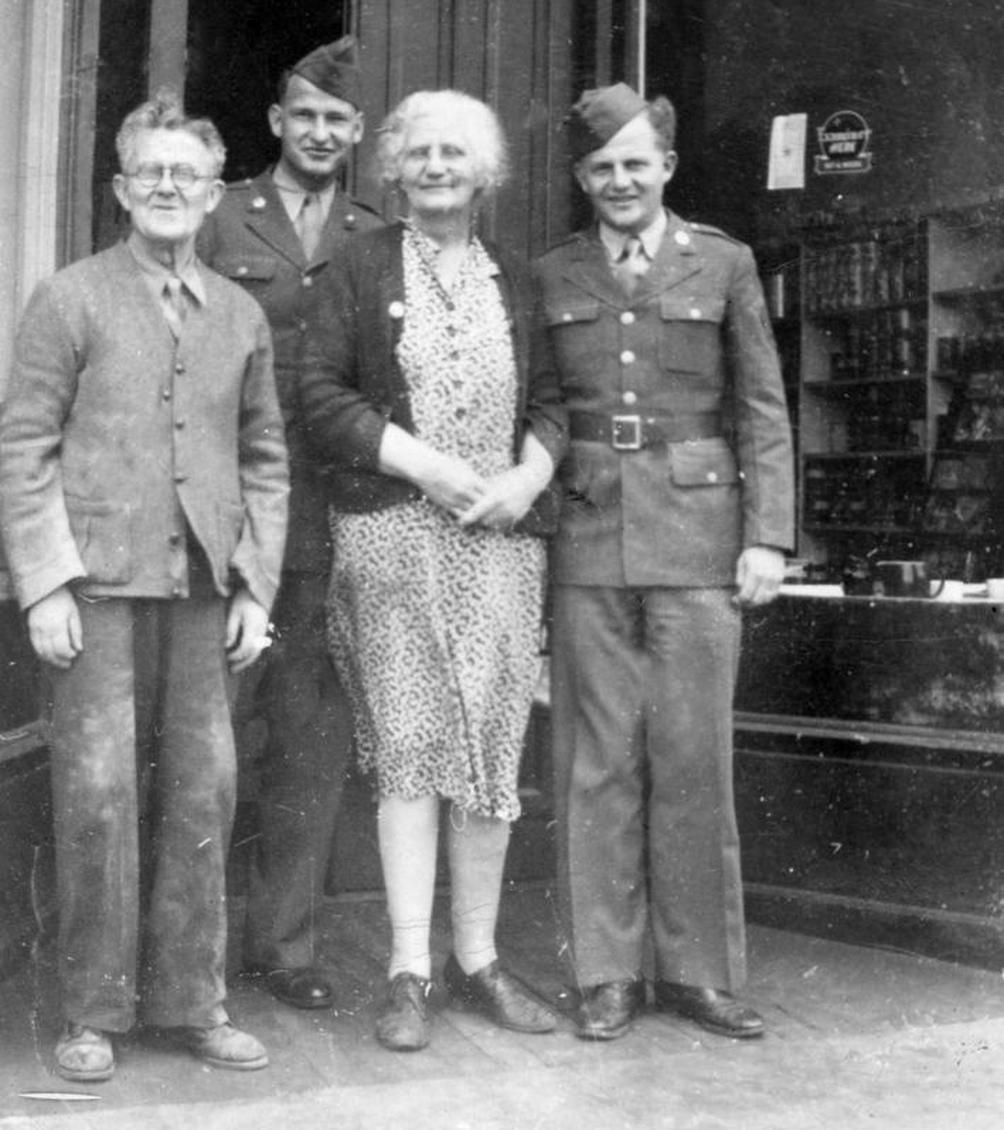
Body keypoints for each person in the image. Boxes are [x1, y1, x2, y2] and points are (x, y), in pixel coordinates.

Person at [0, 91, 289, 1082]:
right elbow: (25, 445)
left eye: (187, 175)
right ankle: (93, 1010)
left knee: (204, 789)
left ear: (214, 195)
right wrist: (45, 585)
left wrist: (256, 583)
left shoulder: (242, 314)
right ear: (122, 188)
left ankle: (193, 1000)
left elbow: (264, 458)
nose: (169, 188)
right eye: (150, 172)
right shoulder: (70, 298)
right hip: (97, 589)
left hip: (204, 589)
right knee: (98, 796)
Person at [299, 90, 566, 1052]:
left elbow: (554, 405)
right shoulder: (359, 268)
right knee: (411, 748)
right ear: (394, 170)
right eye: (420, 153)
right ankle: (409, 970)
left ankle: (479, 961)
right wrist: (428, 466)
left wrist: (525, 479)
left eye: (457, 152)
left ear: (486, 171)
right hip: (393, 540)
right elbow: (320, 395)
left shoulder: (521, 281)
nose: (438, 166)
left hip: (497, 547)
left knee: (491, 755)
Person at [537, 83, 794, 1042]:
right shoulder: (551, 273)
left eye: (636, 164)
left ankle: (698, 972)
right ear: (580, 178)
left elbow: (762, 406)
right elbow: (542, 412)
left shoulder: (721, 262)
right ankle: (606, 971)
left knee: (692, 757)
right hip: (588, 537)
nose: (620, 181)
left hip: (698, 538)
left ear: (667, 169)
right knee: (596, 763)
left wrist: (767, 533)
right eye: (602, 168)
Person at [197, 36, 379, 1012]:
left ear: (357, 134)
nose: (318, 131)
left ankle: (287, 945)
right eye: (302, 114)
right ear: (276, 123)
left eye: (336, 120)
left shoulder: (375, 231)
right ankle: (188, 949)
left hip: (332, 526)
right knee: (208, 736)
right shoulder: (220, 214)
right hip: (225, 517)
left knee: (311, 743)